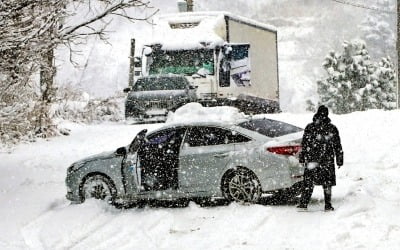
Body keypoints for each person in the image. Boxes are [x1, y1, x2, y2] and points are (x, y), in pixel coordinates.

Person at [297, 105, 343, 211]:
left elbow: (304, 144)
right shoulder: (332, 128)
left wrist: (303, 157)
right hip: (327, 159)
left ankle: (303, 204)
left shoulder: (310, 127)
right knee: (327, 184)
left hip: (312, 159)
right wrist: (339, 160)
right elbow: (337, 146)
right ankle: (328, 205)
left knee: (308, 182)